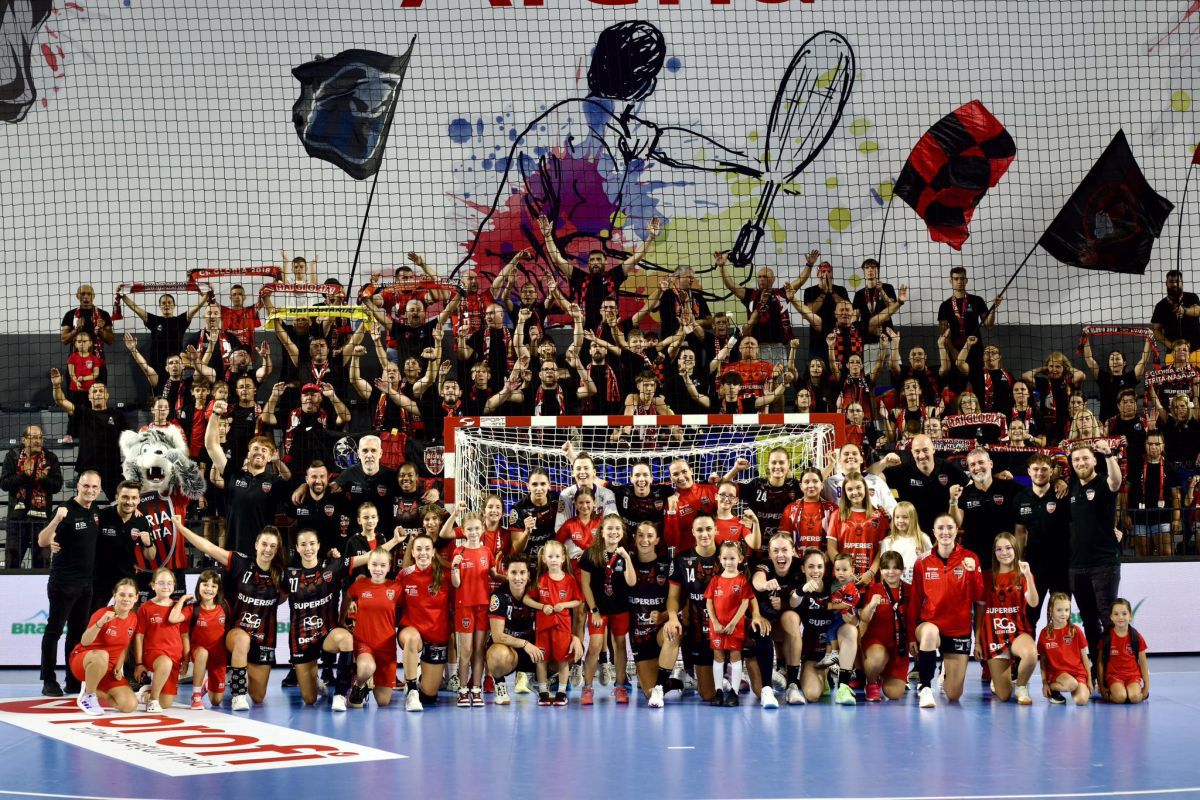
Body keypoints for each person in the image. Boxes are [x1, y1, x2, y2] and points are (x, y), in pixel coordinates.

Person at [173, 516, 287, 711]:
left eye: (272, 546)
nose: (267, 549)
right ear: (256, 545)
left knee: (258, 697)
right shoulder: (240, 562)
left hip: (264, 638)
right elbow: (209, 547)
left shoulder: (280, 574)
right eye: (264, 544)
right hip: (237, 633)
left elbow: (284, 598)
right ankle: (238, 696)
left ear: (277, 550)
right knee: (242, 640)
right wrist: (180, 527)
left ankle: (232, 673)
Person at [290, 529, 394, 710]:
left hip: (327, 632)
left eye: (312, 543)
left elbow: (368, 556)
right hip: (301, 638)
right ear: (297, 548)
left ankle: (340, 693)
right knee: (309, 699)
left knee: (346, 639)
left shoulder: (333, 566)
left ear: (318, 545)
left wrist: (395, 541)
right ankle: (314, 679)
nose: (308, 548)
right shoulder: (289, 574)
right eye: (303, 544)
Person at [37, 471, 103, 696]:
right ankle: (48, 680)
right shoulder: (64, 509)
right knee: (54, 631)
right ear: (78, 486)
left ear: (99, 489)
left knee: (76, 634)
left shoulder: (95, 510)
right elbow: (42, 540)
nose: (90, 490)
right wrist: (56, 520)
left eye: (94, 487)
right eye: (86, 486)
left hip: (86, 584)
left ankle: (73, 680)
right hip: (63, 583)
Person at [908, 514, 983, 709]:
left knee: (954, 694)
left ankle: (944, 672)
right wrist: (910, 636)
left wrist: (972, 573)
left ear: (957, 530)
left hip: (958, 629)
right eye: (940, 528)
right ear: (934, 532)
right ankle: (925, 687)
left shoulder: (970, 558)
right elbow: (914, 600)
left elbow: (978, 596)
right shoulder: (922, 561)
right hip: (930, 624)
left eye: (950, 527)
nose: (945, 532)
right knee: (930, 632)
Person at [205, 402, 290, 554]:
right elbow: (211, 446)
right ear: (249, 453)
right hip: (235, 553)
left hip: (262, 555)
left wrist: (278, 462)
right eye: (255, 448)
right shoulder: (234, 475)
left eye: (264, 450)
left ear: (270, 457)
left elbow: (287, 477)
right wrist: (215, 414)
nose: (259, 452)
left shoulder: (274, 482)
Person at [1067, 441, 1123, 667]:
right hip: (1077, 566)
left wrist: (1109, 454)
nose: (1081, 463)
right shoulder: (1071, 487)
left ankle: (1113, 668)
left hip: (1104, 564)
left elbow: (1116, 481)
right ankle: (1097, 667)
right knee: (1089, 621)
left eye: (1085, 458)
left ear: (1094, 461)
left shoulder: (1103, 483)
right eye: (1076, 459)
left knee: (1108, 618)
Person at [976, 533, 1039, 705]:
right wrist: (977, 641)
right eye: (999, 549)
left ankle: (1021, 686)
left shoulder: (1023, 574)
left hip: (1017, 631)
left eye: (1008, 548)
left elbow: (1033, 602)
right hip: (994, 635)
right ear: (994, 553)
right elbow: (979, 611)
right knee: (1003, 696)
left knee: (1031, 654)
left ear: (1015, 550)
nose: (1004, 552)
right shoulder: (986, 577)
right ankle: (999, 680)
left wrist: (1028, 576)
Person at [626, 521, 682, 707]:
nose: (645, 540)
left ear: (657, 540)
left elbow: (680, 600)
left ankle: (659, 687)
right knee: (647, 693)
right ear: (635, 538)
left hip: (660, 631)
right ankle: (668, 683)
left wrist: (665, 616)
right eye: (640, 535)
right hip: (639, 636)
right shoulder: (628, 563)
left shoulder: (667, 565)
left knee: (674, 632)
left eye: (650, 536)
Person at [49, 371, 129, 500]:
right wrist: (56, 385)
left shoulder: (117, 415)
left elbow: (130, 438)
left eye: (101, 391)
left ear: (107, 395)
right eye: (94, 391)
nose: (98, 393)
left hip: (111, 468)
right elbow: (61, 401)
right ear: (89, 396)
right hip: (87, 467)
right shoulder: (83, 413)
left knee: (121, 502)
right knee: (82, 504)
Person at [580, 515, 634, 705]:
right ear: (601, 532)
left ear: (622, 532)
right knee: (595, 645)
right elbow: (585, 584)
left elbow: (631, 582)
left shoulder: (625, 554)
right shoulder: (590, 554)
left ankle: (620, 686)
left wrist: (627, 558)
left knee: (620, 645)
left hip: (620, 608)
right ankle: (587, 687)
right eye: (609, 528)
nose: (614, 532)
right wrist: (594, 610)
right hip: (599, 610)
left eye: (617, 528)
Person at [396, 533, 453, 712]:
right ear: (412, 552)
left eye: (427, 549)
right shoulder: (404, 575)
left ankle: (419, 674)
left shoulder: (446, 575)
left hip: (436, 637)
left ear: (433, 552)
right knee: (412, 639)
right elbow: (394, 604)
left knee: (429, 697)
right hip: (411, 631)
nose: (423, 553)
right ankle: (412, 689)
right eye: (419, 549)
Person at [525, 540, 583, 706]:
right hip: (543, 627)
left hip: (562, 626)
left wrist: (564, 605)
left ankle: (561, 693)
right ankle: (543, 692)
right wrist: (542, 607)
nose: (554, 560)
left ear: (563, 558)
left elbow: (578, 600)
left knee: (562, 660)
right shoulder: (541, 579)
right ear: (544, 559)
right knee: (541, 659)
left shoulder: (570, 580)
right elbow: (527, 599)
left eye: (557, 556)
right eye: (550, 556)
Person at [69, 578, 139, 716]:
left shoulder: (133, 618)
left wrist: (118, 666)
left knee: (129, 705)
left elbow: (124, 646)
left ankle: (93, 690)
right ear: (114, 595)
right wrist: (100, 623)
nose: (126, 599)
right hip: (85, 662)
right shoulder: (102, 613)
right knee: (102, 655)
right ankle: (88, 697)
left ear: (136, 598)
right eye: (122, 594)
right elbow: (84, 642)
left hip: (108, 670)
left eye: (130, 595)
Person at [344, 549, 403, 709]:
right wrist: (343, 618)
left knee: (383, 702)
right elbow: (347, 597)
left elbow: (411, 606)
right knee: (367, 667)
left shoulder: (396, 588)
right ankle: (359, 685)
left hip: (386, 648)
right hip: (364, 642)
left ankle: (366, 685)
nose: (378, 569)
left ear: (389, 567)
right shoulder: (360, 584)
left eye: (383, 565)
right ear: (368, 565)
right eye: (374, 564)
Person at [1, 425, 63, 570]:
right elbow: (4, 484)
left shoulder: (50, 458)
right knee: (12, 565)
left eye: (41, 437)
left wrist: (43, 479)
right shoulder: (12, 456)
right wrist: (24, 475)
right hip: (17, 520)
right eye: (34, 437)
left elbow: (57, 486)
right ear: (23, 439)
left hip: (42, 522)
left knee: (42, 565)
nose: (38, 441)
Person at [451, 511, 495, 708]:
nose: (474, 532)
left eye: (477, 528)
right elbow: (456, 584)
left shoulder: (487, 551)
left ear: (482, 529)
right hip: (465, 607)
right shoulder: (458, 552)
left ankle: (476, 688)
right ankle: (462, 689)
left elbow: (493, 575)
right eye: (470, 529)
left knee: (479, 649)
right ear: (463, 531)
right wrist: (454, 568)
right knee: (466, 650)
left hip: (483, 606)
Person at [949, 447, 1023, 563]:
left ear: (991, 464)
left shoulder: (1009, 488)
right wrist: (953, 501)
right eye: (972, 465)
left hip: (1004, 557)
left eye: (981, 462)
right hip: (975, 559)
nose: (977, 467)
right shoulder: (965, 493)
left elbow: (1034, 492)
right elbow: (956, 523)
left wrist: (1018, 556)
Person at [487, 556, 543, 706]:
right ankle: (500, 685)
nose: (518, 578)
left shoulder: (536, 594)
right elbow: (498, 636)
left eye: (522, 573)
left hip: (531, 651)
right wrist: (525, 643)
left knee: (566, 648)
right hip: (509, 650)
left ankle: (540, 680)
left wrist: (574, 638)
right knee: (497, 655)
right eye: (513, 573)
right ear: (506, 574)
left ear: (528, 575)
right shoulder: (499, 596)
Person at [133, 568, 189, 712]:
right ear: (153, 586)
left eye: (169, 583)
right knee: (165, 662)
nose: (166, 586)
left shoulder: (178, 607)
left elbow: (184, 635)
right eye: (161, 583)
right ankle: (152, 701)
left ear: (174, 586)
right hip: (154, 654)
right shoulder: (145, 608)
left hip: (175, 657)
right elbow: (139, 636)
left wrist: (186, 659)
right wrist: (139, 663)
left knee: (165, 703)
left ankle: (146, 694)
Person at [704, 541, 752, 707]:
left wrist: (733, 623)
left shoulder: (742, 580)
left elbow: (745, 603)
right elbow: (709, 602)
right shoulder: (715, 580)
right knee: (718, 656)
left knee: (735, 656)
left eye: (732, 558)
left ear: (740, 559)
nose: (728, 562)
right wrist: (715, 622)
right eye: (725, 558)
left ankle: (734, 692)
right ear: (720, 559)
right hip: (717, 626)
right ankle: (718, 691)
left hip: (734, 627)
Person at [117, 290, 207, 378]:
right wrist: (122, 295)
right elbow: (136, 308)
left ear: (174, 305)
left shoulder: (180, 320)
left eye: (169, 302)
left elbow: (197, 307)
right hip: (156, 366)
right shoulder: (154, 320)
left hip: (175, 366)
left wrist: (206, 294)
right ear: (160, 306)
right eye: (163, 303)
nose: (166, 305)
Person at [937, 267, 999, 392]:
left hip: (976, 352)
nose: (959, 281)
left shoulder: (977, 300)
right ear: (951, 281)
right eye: (956, 279)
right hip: (955, 353)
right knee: (957, 392)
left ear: (966, 280)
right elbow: (944, 335)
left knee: (979, 390)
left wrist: (993, 309)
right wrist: (954, 353)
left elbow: (988, 324)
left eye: (962, 278)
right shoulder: (945, 306)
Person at [859, 550, 910, 702]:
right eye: (886, 568)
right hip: (877, 642)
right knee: (877, 658)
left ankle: (883, 675)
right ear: (880, 570)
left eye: (895, 568)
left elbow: (914, 618)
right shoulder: (874, 589)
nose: (891, 572)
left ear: (903, 569)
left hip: (899, 647)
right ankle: (872, 682)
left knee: (894, 694)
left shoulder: (909, 590)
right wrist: (871, 606)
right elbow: (864, 618)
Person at [787, 547, 836, 703]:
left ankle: (831, 672)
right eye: (811, 566)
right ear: (803, 569)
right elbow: (793, 602)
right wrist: (801, 591)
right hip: (812, 654)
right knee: (812, 695)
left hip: (833, 652)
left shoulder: (833, 586)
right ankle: (823, 674)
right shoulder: (800, 588)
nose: (816, 571)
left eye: (820, 566)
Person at [174, 569, 227, 709]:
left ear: (218, 590)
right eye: (205, 585)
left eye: (213, 586)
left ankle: (206, 684)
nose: (209, 589)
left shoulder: (224, 607)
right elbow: (174, 619)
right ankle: (196, 695)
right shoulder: (193, 608)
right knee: (203, 653)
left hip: (219, 656)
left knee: (216, 701)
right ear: (198, 586)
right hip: (198, 651)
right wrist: (182, 599)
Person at [826, 471, 889, 583]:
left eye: (858, 487)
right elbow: (831, 547)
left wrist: (871, 573)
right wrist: (845, 571)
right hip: (843, 580)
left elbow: (882, 550)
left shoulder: (878, 516)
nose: (855, 492)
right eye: (850, 489)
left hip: (870, 579)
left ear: (865, 488)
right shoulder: (837, 515)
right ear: (845, 492)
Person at [1126, 431, 1180, 557]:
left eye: (1157, 444)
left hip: (1163, 516)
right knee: (1143, 557)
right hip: (1139, 517)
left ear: (1163, 445)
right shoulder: (1136, 466)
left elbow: (1176, 496)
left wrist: (1176, 518)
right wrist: (1125, 514)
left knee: (1166, 555)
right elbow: (1126, 493)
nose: (1153, 447)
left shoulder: (1170, 468)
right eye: (1150, 444)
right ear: (1145, 445)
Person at [1037, 592, 1092, 705]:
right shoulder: (1045, 633)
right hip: (1058, 673)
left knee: (1081, 701)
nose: (1064, 614)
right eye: (1059, 610)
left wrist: (1089, 680)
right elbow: (1043, 662)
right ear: (1051, 610)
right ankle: (1052, 688)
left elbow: (1085, 657)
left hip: (1078, 672)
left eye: (1067, 610)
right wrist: (1045, 683)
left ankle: (1072, 687)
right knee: (1072, 684)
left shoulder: (1075, 631)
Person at [1083, 332, 1151, 422]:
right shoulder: (1103, 377)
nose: (1115, 361)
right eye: (1112, 359)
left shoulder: (1130, 377)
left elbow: (1144, 360)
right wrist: (1086, 337)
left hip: (1128, 421)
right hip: (1106, 424)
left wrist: (1148, 339)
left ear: (1124, 362)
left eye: (1118, 358)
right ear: (1108, 363)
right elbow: (1088, 358)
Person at [1097, 598, 1150, 704]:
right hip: (1114, 676)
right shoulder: (1106, 638)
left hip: (1132, 676)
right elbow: (1100, 663)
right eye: (1116, 614)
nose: (1120, 617)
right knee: (1120, 697)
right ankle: (1115, 692)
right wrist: (1101, 686)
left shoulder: (1136, 637)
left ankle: (1131, 692)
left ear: (1130, 616)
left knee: (1135, 698)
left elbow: (1143, 662)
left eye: (1124, 614)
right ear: (1111, 617)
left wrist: (1146, 687)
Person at [60, 284, 114, 382]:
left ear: (93, 296)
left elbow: (110, 340)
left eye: (89, 294)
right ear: (77, 296)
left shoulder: (103, 315)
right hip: (76, 364)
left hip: (98, 363)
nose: (86, 296)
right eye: (83, 294)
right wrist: (76, 330)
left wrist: (100, 330)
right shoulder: (70, 315)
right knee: (76, 391)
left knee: (99, 392)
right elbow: (64, 340)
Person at [778, 467, 835, 555]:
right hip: (797, 561)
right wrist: (797, 560)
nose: (811, 485)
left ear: (822, 485)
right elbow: (784, 541)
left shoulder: (832, 509)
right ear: (801, 486)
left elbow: (837, 541)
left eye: (815, 481)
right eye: (806, 482)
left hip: (825, 562)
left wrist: (823, 559)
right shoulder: (790, 509)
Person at [877, 501, 932, 585]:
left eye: (905, 517)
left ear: (913, 518)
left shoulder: (923, 539)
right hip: (894, 587)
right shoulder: (887, 542)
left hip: (918, 586)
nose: (900, 520)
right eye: (897, 517)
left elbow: (932, 564)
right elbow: (883, 570)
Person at [1151, 269, 1200, 350]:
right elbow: (1156, 331)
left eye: (1177, 281)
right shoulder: (1160, 306)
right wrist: (1172, 346)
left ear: (1182, 283)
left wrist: (1184, 310)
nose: (1174, 284)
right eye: (1171, 282)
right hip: (1173, 352)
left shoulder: (1192, 297)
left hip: (1196, 349)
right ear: (1166, 283)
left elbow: (1198, 310)